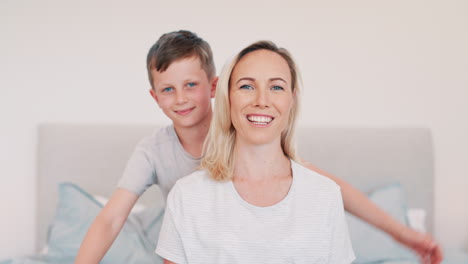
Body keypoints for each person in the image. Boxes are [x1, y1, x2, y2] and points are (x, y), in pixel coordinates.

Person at [75, 30, 443, 264]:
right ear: (154, 97)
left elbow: (326, 189)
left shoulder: (255, 135)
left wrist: (403, 233)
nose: (182, 99)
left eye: (191, 85)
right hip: (189, 242)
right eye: (168, 90)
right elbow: (110, 219)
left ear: (215, 86)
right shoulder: (157, 156)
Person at [156, 40, 355, 263]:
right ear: (227, 97)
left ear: (292, 99)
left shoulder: (325, 195)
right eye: (247, 86)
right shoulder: (188, 196)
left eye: (276, 87)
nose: (262, 101)